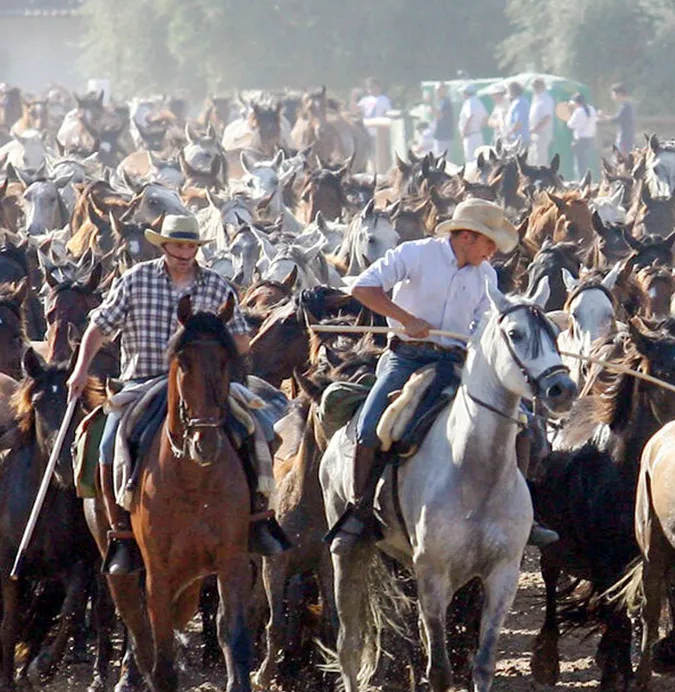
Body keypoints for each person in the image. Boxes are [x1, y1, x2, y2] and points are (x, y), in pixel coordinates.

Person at [329, 198, 559, 550]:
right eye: (489, 242)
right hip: (406, 358)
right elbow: (363, 288)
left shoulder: (487, 275)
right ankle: (358, 512)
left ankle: (520, 515)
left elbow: (485, 323)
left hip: (455, 362)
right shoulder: (416, 254)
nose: (493, 252)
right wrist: (406, 320)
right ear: (467, 236)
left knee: (524, 425)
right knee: (371, 426)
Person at [67, 214, 290, 576]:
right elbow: (99, 326)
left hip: (203, 381)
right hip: (143, 380)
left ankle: (260, 517)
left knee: (260, 428)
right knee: (107, 443)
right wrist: (80, 370)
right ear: (163, 245)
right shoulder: (135, 280)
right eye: (177, 245)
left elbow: (242, 341)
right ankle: (122, 532)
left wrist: (207, 339)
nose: (184, 252)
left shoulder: (218, 287)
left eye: (190, 246)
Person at [566, 92, 597, 180]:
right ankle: (589, 179)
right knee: (587, 161)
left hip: (580, 140)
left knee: (580, 164)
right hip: (590, 139)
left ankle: (581, 180)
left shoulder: (578, 111)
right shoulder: (592, 109)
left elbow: (570, 125)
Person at [528, 77, 555, 166]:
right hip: (535, 133)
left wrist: (535, 128)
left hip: (542, 132)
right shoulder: (536, 99)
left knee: (540, 157)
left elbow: (547, 117)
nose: (535, 88)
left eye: (537, 86)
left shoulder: (545, 99)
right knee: (533, 156)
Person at [602, 82, 635, 153]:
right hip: (625, 138)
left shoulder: (625, 107)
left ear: (619, 94)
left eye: (613, 94)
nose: (612, 96)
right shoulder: (626, 105)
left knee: (621, 159)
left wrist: (604, 116)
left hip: (624, 140)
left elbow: (616, 119)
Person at [459, 85, 488, 163]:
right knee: (480, 159)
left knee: (471, 160)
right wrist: (479, 126)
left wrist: (464, 131)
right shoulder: (478, 102)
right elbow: (485, 117)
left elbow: (470, 116)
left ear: (466, 93)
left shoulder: (469, 102)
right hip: (477, 133)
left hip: (470, 136)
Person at [504, 81, 530, 150]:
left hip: (519, 139)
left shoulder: (520, 103)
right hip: (515, 138)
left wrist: (509, 133)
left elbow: (519, 122)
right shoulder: (517, 102)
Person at [432, 82, 454, 157]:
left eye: (439, 90)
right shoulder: (439, 102)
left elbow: (440, 115)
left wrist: (431, 105)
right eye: (436, 90)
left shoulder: (446, 103)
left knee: (445, 159)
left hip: (445, 136)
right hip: (439, 135)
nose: (436, 92)